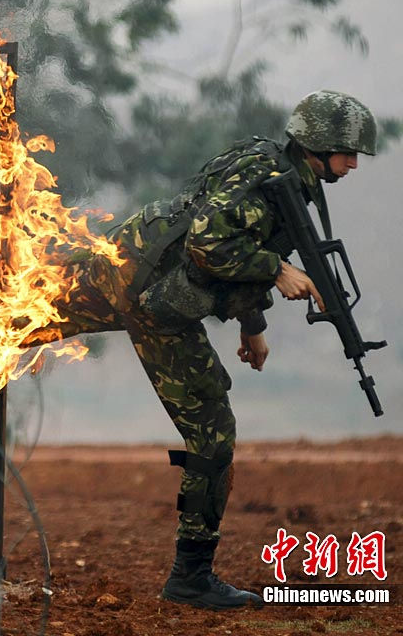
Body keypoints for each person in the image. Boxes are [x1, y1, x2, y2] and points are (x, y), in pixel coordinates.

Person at [21, 90, 377, 609]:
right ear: (317, 145)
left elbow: (235, 241)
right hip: (154, 297)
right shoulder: (267, 179)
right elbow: (210, 245)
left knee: (3, 329)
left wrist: (251, 322)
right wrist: (276, 270)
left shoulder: (276, 171)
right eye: (347, 152)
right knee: (213, 433)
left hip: (132, 260)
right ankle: (190, 577)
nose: (352, 164)